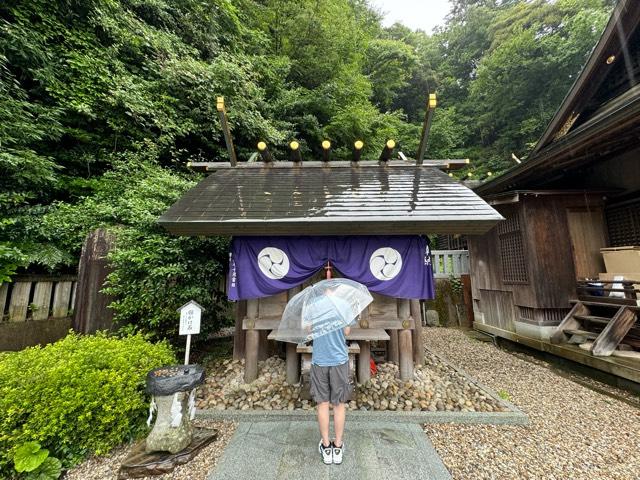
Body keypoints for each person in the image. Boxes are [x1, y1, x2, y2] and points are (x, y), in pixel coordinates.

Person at [307, 288, 355, 465]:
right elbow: (347, 332)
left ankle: (326, 447)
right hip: (339, 359)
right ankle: (338, 445)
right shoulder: (343, 304)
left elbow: (307, 329)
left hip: (319, 359)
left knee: (322, 403)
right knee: (339, 404)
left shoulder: (313, 305)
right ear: (336, 287)